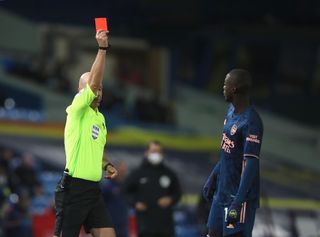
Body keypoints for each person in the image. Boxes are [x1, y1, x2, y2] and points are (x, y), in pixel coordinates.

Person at [53, 29, 118, 237]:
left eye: (100, 89)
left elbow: (96, 150)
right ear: (81, 93)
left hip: (93, 191)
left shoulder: (100, 118)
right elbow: (94, 82)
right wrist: (102, 49)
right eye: (94, 88)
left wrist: (106, 165)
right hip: (74, 190)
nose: (98, 92)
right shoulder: (77, 110)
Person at [203, 69, 264, 237]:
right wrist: (213, 176)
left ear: (234, 88)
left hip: (238, 198)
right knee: (212, 234)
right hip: (221, 192)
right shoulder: (230, 111)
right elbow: (227, 152)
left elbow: (251, 163)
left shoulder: (251, 121)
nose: (223, 87)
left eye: (225, 84)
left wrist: (238, 202)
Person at [123, 141, 182, 237]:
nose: (156, 154)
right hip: (144, 225)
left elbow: (178, 193)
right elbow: (125, 191)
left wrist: (170, 199)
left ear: (162, 154)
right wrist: (135, 203)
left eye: (158, 152)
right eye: (153, 151)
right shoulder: (137, 173)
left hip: (165, 225)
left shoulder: (169, 174)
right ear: (146, 153)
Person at [100, 160, 129, 237]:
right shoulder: (107, 185)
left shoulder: (126, 186)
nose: (123, 172)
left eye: (124, 170)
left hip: (123, 226)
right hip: (109, 226)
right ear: (115, 170)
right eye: (121, 169)